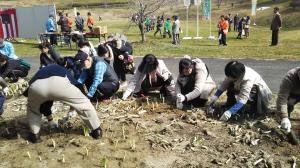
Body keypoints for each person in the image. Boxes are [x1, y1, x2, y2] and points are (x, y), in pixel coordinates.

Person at [24, 64, 102, 143]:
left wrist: (49, 119)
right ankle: (96, 131)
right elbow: (77, 85)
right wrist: (78, 101)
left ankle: (34, 135)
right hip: (59, 82)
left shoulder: (40, 72)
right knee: (83, 104)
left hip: (36, 86)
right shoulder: (63, 69)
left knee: (33, 110)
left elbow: (28, 92)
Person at [208, 61, 272, 121]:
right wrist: (215, 96)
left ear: (238, 76)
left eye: (231, 77)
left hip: (259, 93)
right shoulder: (234, 70)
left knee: (253, 91)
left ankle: (253, 110)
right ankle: (231, 104)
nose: (229, 78)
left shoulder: (248, 79)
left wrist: (230, 112)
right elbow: (225, 83)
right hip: (241, 86)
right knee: (230, 84)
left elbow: (243, 98)